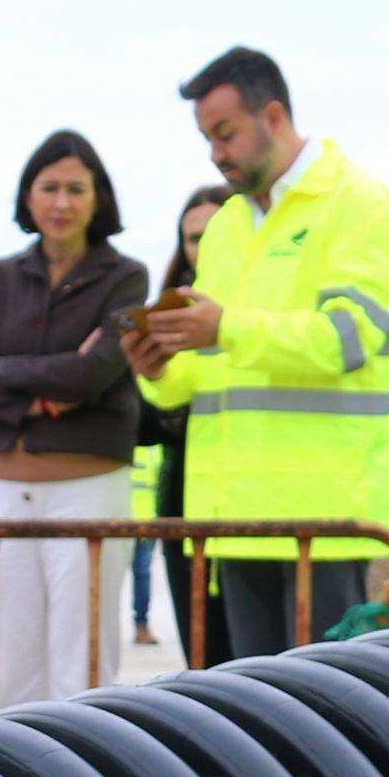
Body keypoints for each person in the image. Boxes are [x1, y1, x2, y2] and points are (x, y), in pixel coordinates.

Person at [123, 45, 389, 659]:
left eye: (225, 133)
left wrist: (224, 327)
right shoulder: (230, 226)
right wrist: (159, 367)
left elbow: (347, 340)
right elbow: (208, 368)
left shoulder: (359, 206)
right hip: (240, 524)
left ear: (275, 117)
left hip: (338, 527)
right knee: (267, 729)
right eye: (207, 138)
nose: (216, 153)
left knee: (340, 723)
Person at [0, 130, 148, 709]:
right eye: (49, 187)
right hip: (1, 490)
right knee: (8, 667)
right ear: (28, 198)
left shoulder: (126, 278)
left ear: (98, 198)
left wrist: (1, 369)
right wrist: (41, 394)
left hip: (88, 489)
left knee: (82, 664)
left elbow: (96, 374)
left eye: (75, 189)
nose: (62, 202)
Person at [130, 184, 230, 650]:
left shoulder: (263, 307)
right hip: (183, 503)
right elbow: (142, 427)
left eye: (215, 232)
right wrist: (152, 374)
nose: (203, 247)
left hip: (256, 505)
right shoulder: (167, 312)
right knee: (204, 661)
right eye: (193, 237)